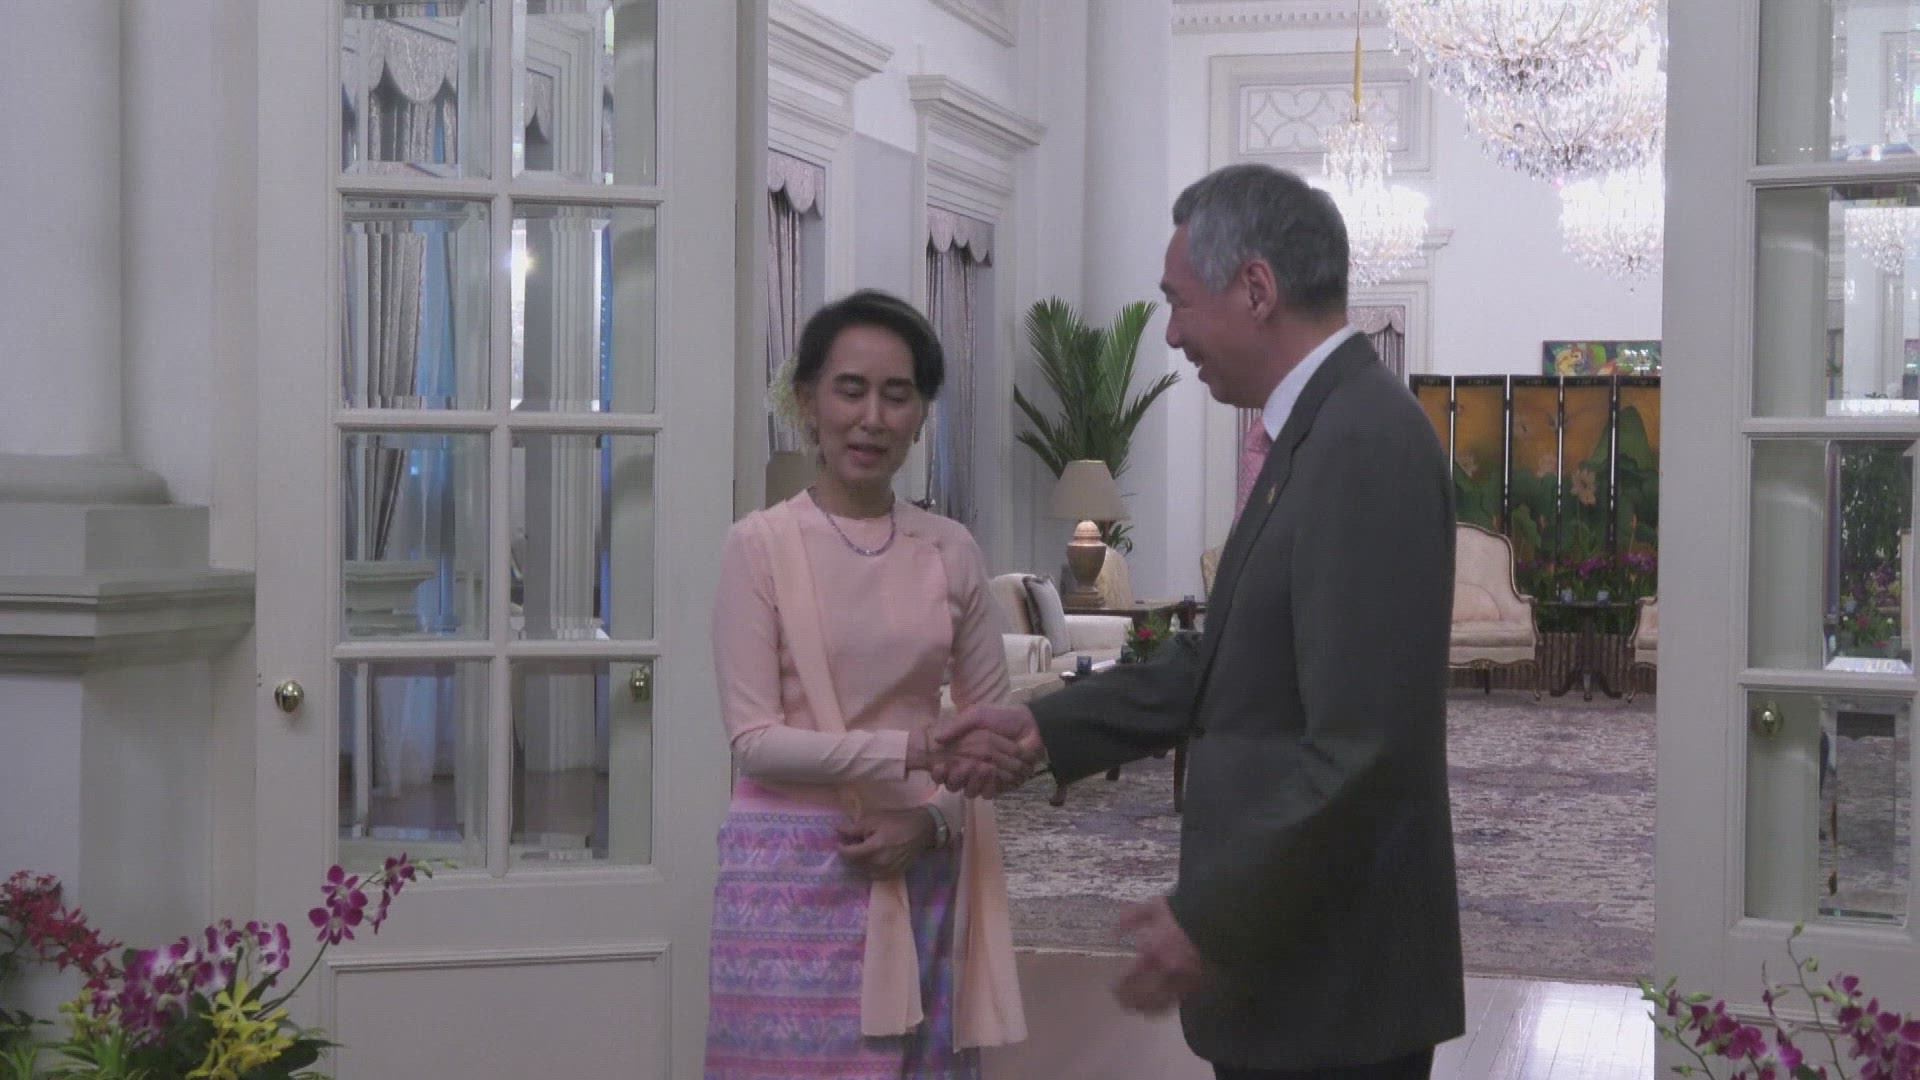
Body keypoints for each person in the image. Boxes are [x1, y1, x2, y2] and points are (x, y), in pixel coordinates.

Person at [934, 164, 1464, 1080]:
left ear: (1256, 288)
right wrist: (1041, 727)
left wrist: (1208, 917)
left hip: (1333, 991)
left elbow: (1363, 748)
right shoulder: (1320, 431)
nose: (1173, 334)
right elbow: (1223, 663)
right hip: (1297, 976)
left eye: (1178, 302)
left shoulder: (1361, 442)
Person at [703, 289, 1032, 1079]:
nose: (872, 418)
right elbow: (755, 741)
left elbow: (994, 737)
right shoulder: (758, 546)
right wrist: (912, 752)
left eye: (898, 395)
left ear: (921, 416)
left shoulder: (950, 550)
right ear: (807, 401)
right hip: (786, 878)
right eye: (850, 390)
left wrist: (933, 824)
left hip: (916, 864)